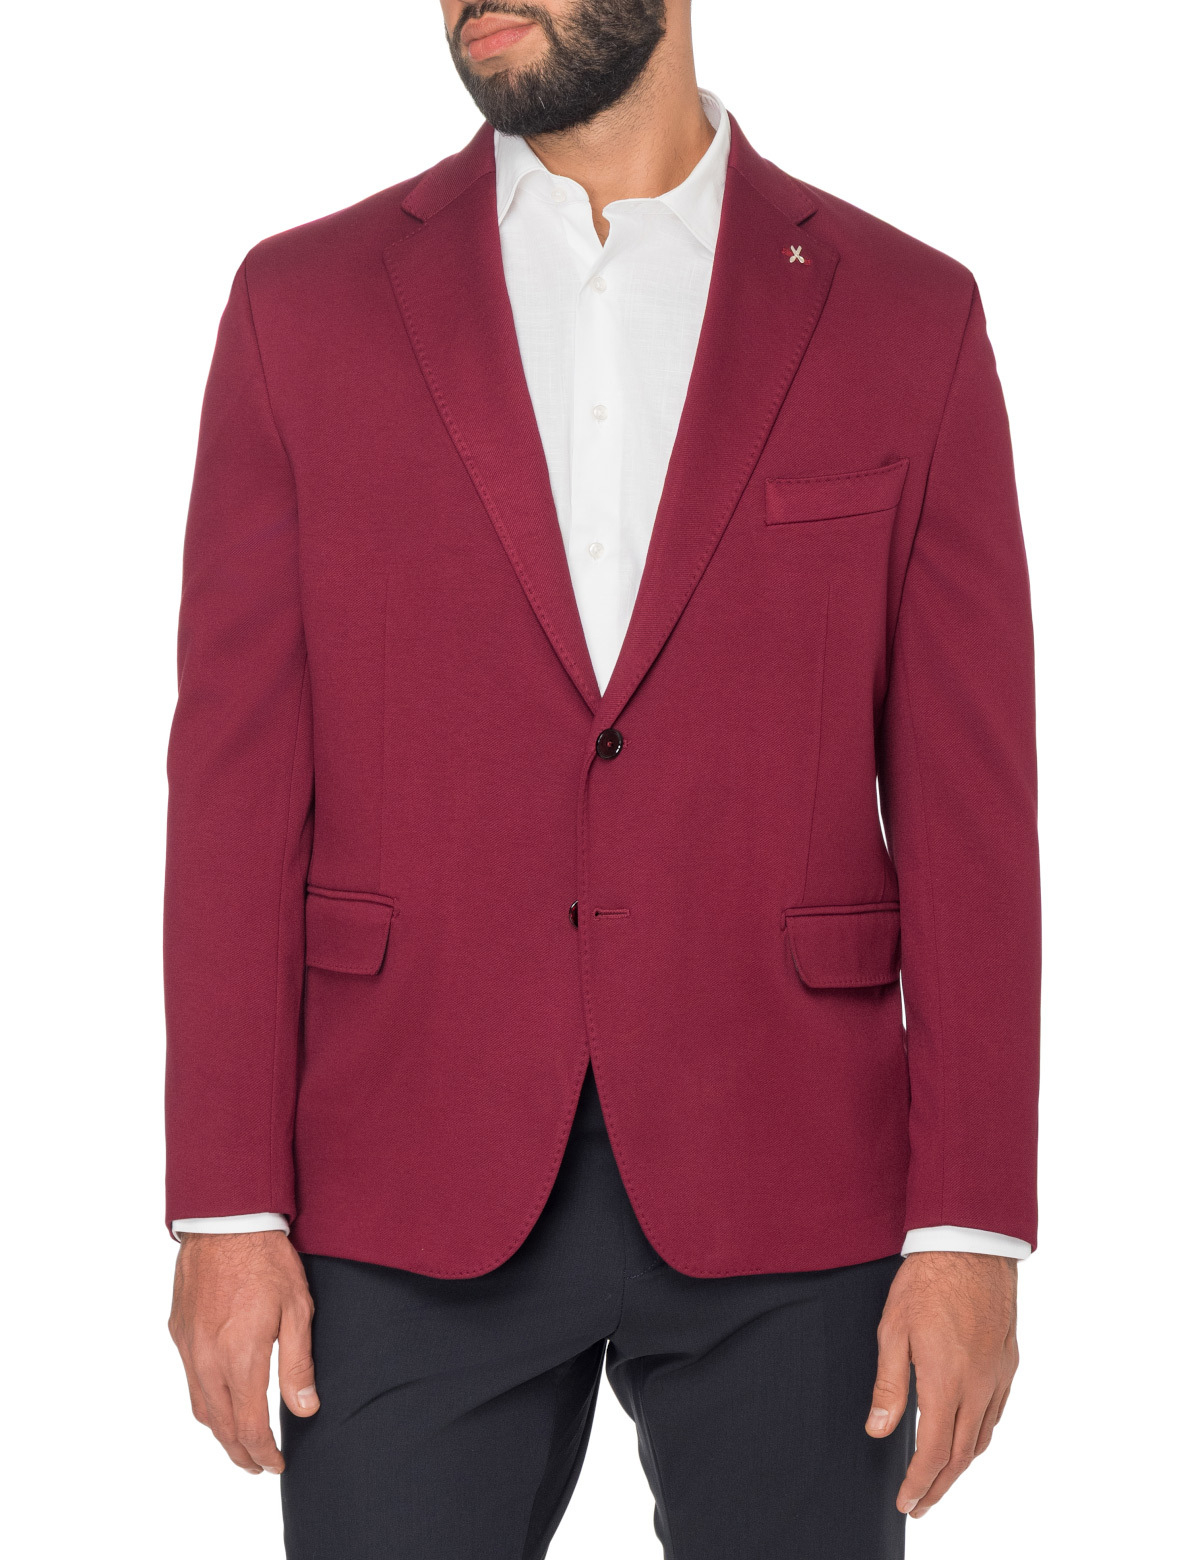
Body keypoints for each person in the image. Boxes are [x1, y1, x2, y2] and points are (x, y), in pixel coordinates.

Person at [165, 3, 1040, 1555]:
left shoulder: (907, 318)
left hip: (791, 1175)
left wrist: (971, 1228)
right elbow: (234, 790)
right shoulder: (302, 309)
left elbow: (971, 814)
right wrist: (228, 1208)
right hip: (401, 1172)